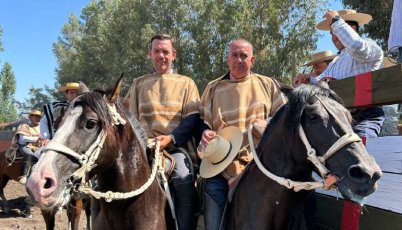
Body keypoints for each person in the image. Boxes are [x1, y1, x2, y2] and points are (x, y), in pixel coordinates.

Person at [198, 38, 287, 230]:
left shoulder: (267, 84)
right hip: (220, 165)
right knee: (214, 224)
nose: (239, 60)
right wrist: (205, 132)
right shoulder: (212, 88)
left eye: (244, 56)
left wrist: (268, 123)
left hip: (259, 165)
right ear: (227, 59)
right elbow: (203, 122)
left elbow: (285, 116)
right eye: (235, 55)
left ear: (252, 60)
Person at [123, 34, 199, 230]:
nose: (161, 55)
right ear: (150, 54)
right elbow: (128, 119)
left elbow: (193, 119)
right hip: (141, 149)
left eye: (165, 51)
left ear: (173, 54)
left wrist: (171, 138)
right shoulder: (138, 83)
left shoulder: (186, 83)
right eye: (156, 51)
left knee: (183, 179)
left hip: (174, 149)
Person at [295, 9, 385, 138]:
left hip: (365, 115)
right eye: (331, 33)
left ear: (352, 29)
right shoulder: (337, 60)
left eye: (336, 32)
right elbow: (322, 80)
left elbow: (357, 47)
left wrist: (336, 21)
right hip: (341, 116)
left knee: (358, 148)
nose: (333, 38)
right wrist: (308, 80)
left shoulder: (369, 46)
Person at [15, 109, 42, 184]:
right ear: (30, 117)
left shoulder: (41, 126)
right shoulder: (24, 125)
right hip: (25, 145)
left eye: (39, 117)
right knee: (31, 155)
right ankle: (24, 175)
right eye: (35, 116)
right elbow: (23, 139)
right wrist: (37, 138)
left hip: (38, 146)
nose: (37, 118)